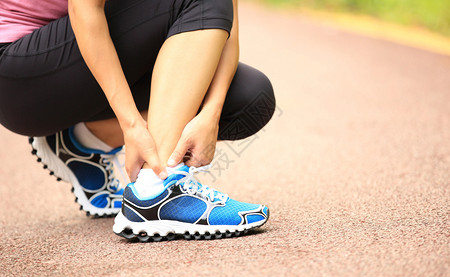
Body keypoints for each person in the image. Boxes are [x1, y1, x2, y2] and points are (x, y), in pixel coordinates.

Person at [0, 0, 276, 241]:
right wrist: (130, 123)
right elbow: (84, 8)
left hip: (84, 66)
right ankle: (156, 191)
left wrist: (209, 114)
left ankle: (83, 139)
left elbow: (227, 27)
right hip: (20, 77)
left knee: (249, 98)